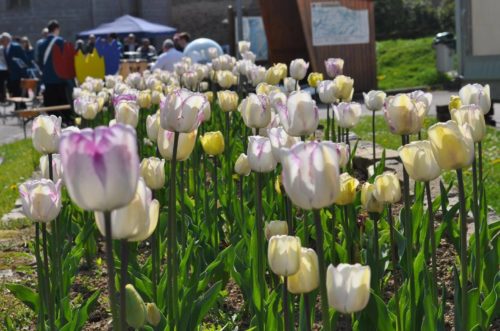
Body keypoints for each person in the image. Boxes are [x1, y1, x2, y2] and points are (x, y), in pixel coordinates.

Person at [37, 20, 70, 122]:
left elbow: (39, 61)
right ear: (56, 29)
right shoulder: (60, 41)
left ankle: (53, 123)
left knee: (51, 103)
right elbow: (66, 59)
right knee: (62, 103)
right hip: (59, 77)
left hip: (47, 78)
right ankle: (65, 121)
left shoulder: (40, 43)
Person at [0, 32, 29, 104]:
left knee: (20, 92)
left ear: (7, 39)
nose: (1, 42)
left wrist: (23, 74)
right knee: (15, 92)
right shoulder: (3, 49)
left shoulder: (16, 47)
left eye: (2, 40)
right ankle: (17, 107)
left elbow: (24, 60)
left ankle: (22, 107)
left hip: (19, 74)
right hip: (11, 75)